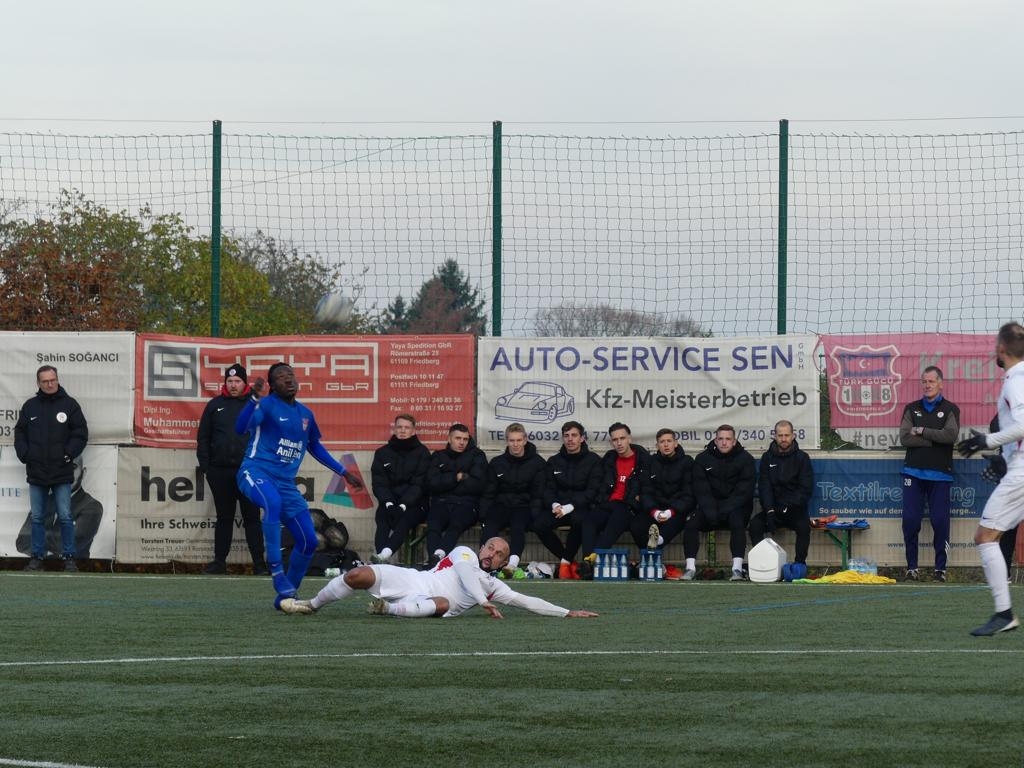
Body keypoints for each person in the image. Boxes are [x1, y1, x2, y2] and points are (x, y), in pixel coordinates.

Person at [235, 362, 363, 609]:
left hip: (285, 483)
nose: (288, 379)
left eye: (290, 375)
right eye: (281, 377)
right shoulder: (266, 405)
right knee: (272, 503)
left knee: (309, 541)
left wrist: (343, 472)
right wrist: (252, 399)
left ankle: (287, 596)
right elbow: (240, 428)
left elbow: (314, 447)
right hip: (255, 471)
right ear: (272, 386)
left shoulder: (305, 414)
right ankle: (276, 571)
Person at [278, 536, 599, 619]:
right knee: (357, 574)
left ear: (504, 562)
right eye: (490, 547)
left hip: (429, 603)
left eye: (499, 553)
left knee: (443, 604)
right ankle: (311, 604)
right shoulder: (464, 554)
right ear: (482, 547)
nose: (492, 553)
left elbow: (526, 601)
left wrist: (567, 612)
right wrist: (481, 602)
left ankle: (387, 609)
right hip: (414, 581)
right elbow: (465, 574)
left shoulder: (493, 586)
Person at [957, 322, 1024, 636]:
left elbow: (1023, 425)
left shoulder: (1016, 381)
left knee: (985, 537)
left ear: (1001, 348)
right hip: (1017, 466)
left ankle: (1004, 613)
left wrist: (988, 441)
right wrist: (1002, 459)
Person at [14, 365, 89, 572]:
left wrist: (68, 454)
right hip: (36, 471)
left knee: (65, 516)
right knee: (37, 517)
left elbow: (80, 433)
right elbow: (20, 433)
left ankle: (69, 558)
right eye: (45, 381)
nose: (50, 384)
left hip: (61, 471)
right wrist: (26, 455)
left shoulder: (70, 405)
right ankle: (37, 558)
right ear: (38, 383)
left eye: (52, 380)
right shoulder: (30, 406)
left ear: (57, 379)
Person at [196, 364, 267, 575]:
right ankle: (219, 562)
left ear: (245, 383)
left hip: (249, 472)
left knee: (252, 518)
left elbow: (266, 438)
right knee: (224, 518)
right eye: (229, 381)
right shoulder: (214, 405)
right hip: (220, 472)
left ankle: (259, 564)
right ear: (225, 383)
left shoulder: (256, 406)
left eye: (237, 381)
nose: (233, 385)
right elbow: (203, 438)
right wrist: (206, 467)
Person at [898, 366, 960, 582]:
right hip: (913, 473)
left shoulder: (950, 409)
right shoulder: (911, 408)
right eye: (924, 381)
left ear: (940, 384)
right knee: (910, 521)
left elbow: (950, 436)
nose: (927, 385)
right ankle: (912, 568)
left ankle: (940, 570)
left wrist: (922, 431)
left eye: (931, 381)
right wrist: (935, 440)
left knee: (940, 522)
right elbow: (905, 438)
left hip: (940, 475)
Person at [686, 425, 756, 581]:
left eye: (728, 439)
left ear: (734, 441)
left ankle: (737, 569)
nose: (724, 442)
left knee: (737, 521)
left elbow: (743, 492)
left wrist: (724, 510)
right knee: (691, 523)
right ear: (715, 440)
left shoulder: (746, 459)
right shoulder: (702, 459)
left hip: (736, 508)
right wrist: (711, 511)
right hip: (710, 509)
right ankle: (690, 568)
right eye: (721, 439)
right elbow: (701, 490)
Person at [583, 423, 652, 577]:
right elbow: (598, 482)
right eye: (615, 440)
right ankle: (587, 561)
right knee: (589, 520)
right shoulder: (609, 458)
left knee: (616, 519)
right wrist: (599, 499)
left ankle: (593, 561)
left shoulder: (643, 459)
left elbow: (649, 485)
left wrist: (640, 497)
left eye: (622, 438)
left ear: (630, 439)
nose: (619, 443)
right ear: (611, 442)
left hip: (629, 505)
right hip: (608, 502)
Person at [479, 423, 546, 576]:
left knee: (518, 527)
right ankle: (482, 563)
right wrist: (483, 515)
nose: (515, 444)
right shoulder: (497, 462)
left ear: (525, 440)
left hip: (523, 506)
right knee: (489, 526)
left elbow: (538, 493)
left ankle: (512, 565)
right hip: (501, 505)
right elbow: (489, 491)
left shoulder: (537, 463)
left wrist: (535, 515)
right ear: (507, 441)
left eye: (518, 440)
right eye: (512, 440)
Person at [539, 421, 603, 580]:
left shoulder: (593, 460)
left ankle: (565, 563)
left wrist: (571, 506)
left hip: (581, 507)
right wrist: (554, 504)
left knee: (580, 521)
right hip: (558, 508)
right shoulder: (553, 461)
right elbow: (548, 488)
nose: (570, 439)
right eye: (566, 436)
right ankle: (568, 561)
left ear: (582, 438)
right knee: (538, 525)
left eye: (574, 435)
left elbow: (592, 491)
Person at [749, 420, 814, 570]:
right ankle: (765, 565)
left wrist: (787, 506)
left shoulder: (802, 458)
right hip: (773, 510)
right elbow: (764, 486)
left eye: (787, 435)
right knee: (755, 525)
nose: (783, 439)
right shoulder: (767, 457)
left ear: (793, 436)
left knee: (804, 527)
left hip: (795, 510)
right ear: (775, 436)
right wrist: (770, 510)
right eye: (780, 435)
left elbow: (805, 489)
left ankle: (799, 565)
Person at [16, 455, 103, 560]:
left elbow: (68, 544)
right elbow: (21, 542)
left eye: (72, 467)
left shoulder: (92, 506)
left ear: (83, 472)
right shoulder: (45, 502)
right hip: (41, 568)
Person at [370, 413, 431, 563]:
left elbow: (419, 484)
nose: (403, 430)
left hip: (415, 504)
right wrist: (389, 503)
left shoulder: (423, 453)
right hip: (389, 502)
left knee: (404, 520)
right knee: (382, 519)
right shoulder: (382, 453)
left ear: (413, 431)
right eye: (399, 427)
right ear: (394, 429)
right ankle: (382, 562)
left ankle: (384, 555)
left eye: (407, 427)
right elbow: (379, 483)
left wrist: (403, 504)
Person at [424, 423, 488, 567]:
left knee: (456, 525)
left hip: (466, 504)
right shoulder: (438, 456)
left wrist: (446, 482)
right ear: (449, 439)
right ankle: (433, 562)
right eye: (458, 438)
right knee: (433, 525)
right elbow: (432, 483)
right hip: (441, 502)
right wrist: (456, 477)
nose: (462, 442)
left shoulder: (477, 456)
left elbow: (478, 485)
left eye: (465, 439)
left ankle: (438, 556)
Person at [639, 428, 695, 575]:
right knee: (636, 524)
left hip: (677, 510)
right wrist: (654, 512)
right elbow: (645, 491)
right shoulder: (650, 462)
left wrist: (671, 512)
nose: (666, 445)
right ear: (657, 445)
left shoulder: (687, 462)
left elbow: (689, 494)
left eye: (669, 441)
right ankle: (654, 560)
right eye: (662, 442)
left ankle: (656, 545)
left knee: (678, 520)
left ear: (676, 443)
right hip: (655, 509)